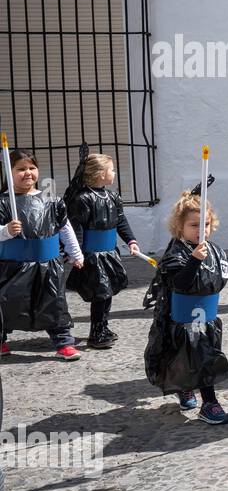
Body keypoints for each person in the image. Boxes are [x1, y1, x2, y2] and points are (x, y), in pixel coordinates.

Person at [143, 186, 228, 423]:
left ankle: (188, 387)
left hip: (208, 319)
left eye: (205, 224)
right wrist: (194, 261)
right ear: (179, 227)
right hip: (183, 320)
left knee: (202, 357)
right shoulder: (177, 254)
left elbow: (224, 264)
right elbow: (181, 282)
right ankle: (209, 403)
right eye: (194, 225)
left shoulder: (213, 250)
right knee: (193, 357)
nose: (200, 230)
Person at [0, 148, 83, 361]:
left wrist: (75, 252)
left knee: (54, 301)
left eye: (32, 167)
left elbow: (64, 228)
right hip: (13, 266)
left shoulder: (51, 200)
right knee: (7, 302)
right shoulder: (3, 202)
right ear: (8, 172)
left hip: (48, 264)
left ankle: (64, 342)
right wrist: (6, 231)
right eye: (20, 169)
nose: (28, 172)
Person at [63, 148, 141, 349]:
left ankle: (103, 327)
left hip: (109, 253)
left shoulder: (113, 197)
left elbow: (121, 221)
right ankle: (96, 332)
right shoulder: (82, 199)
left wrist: (131, 240)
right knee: (101, 293)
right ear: (100, 174)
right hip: (93, 256)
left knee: (108, 292)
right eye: (112, 169)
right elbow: (76, 228)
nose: (114, 173)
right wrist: (76, 252)